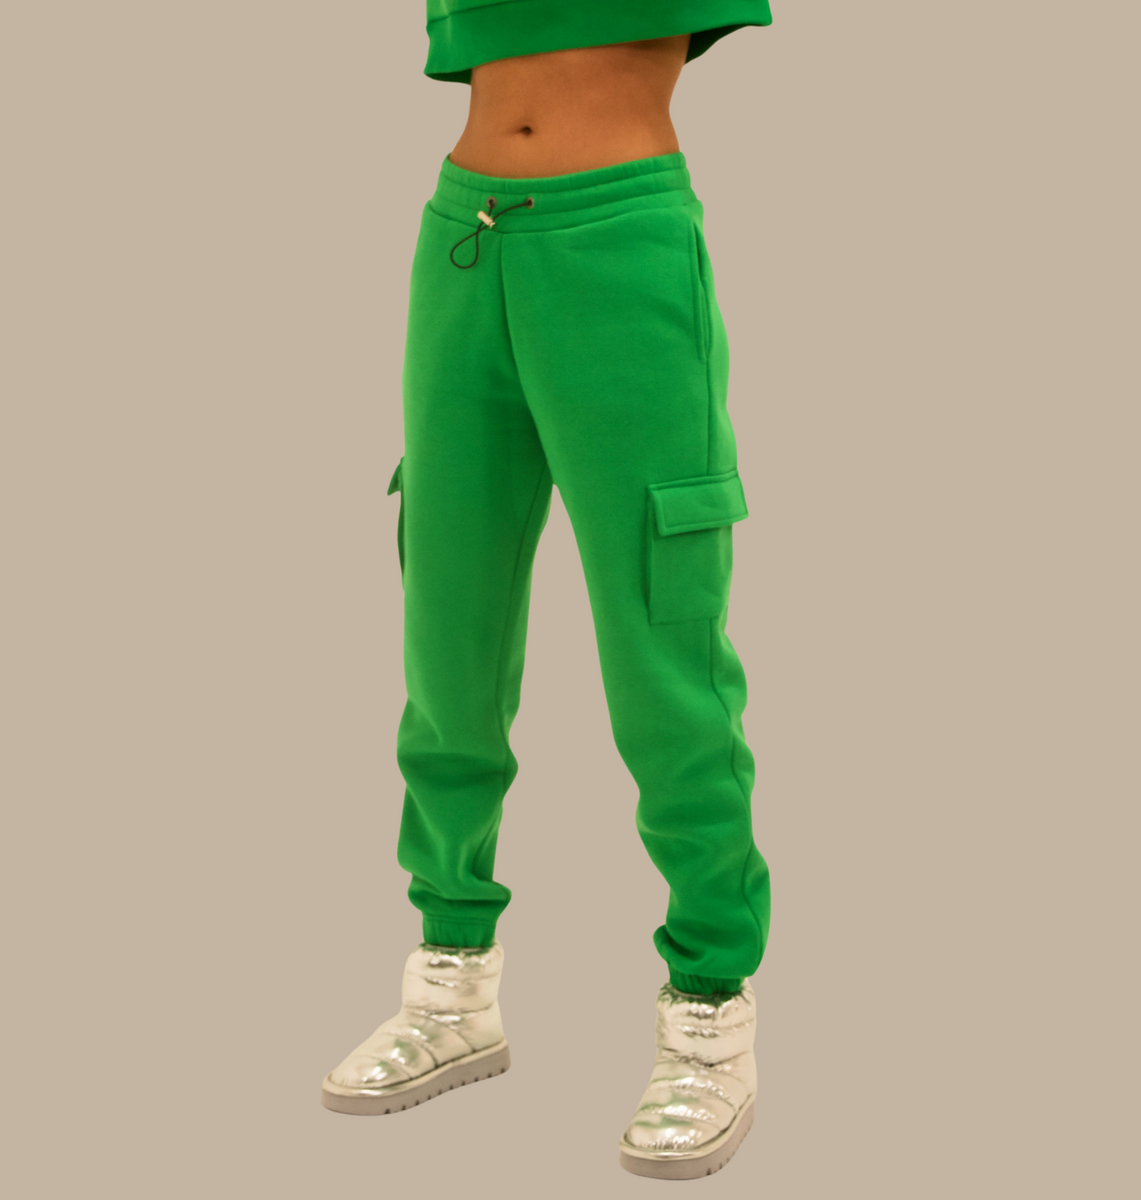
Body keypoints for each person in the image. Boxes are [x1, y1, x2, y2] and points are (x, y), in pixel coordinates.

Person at [320, 3, 775, 1180]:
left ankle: (709, 1010)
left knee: (663, 651)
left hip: (618, 241)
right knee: (448, 641)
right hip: (464, 236)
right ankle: (452, 984)